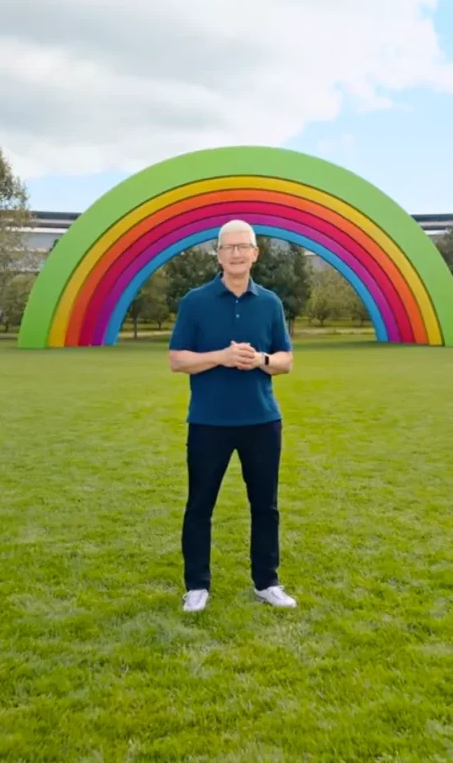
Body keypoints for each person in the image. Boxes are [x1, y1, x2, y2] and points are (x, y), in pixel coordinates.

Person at [167, 219, 297, 612]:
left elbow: (286, 360)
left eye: (244, 247)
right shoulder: (195, 301)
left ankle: (266, 582)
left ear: (255, 254)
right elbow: (177, 359)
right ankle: (196, 586)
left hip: (262, 421)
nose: (236, 254)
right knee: (200, 505)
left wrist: (261, 359)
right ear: (218, 254)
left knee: (265, 505)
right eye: (228, 247)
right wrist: (221, 357)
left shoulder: (271, 303)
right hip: (209, 422)